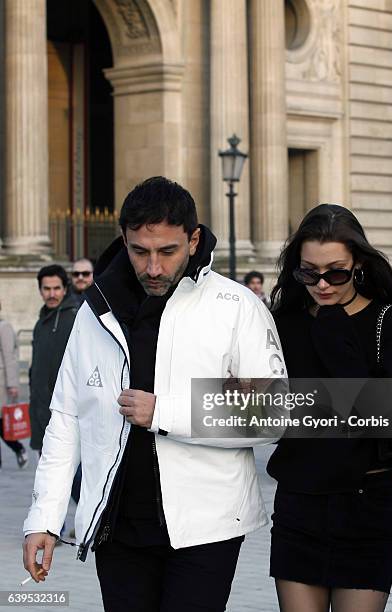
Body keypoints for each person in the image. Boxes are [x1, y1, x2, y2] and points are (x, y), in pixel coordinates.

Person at [23, 176, 286, 612]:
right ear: (123, 240)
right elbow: (67, 416)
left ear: (194, 239)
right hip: (117, 524)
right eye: (139, 251)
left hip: (207, 527)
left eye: (168, 251)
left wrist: (164, 412)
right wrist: (45, 519)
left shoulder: (236, 306)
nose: (154, 268)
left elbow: (275, 413)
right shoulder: (95, 310)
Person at [267, 203, 392, 612]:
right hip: (300, 502)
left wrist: (333, 325)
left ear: (358, 266)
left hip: (366, 505)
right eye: (307, 272)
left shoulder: (390, 320)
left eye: (335, 272)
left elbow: (388, 416)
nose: (321, 284)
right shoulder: (285, 322)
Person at [28, 265, 78, 453]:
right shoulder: (40, 323)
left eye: (56, 288)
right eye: (46, 289)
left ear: (65, 289)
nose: (51, 294)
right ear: (40, 290)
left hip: (65, 419)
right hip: (41, 414)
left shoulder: (75, 319)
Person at [0, 302, 28, 469]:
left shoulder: (4, 327)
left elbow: (9, 356)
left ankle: (18, 447)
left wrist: (12, 384)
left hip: (1, 384)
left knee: (2, 424)